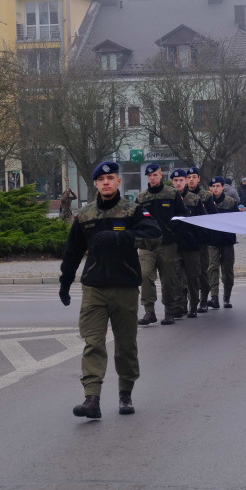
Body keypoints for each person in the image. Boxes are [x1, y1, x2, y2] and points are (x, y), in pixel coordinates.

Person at [59, 161, 161, 419]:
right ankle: (91, 398)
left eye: (111, 178)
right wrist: (65, 282)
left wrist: (121, 236)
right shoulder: (85, 215)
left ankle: (125, 393)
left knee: (126, 345)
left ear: (118, 182)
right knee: (93, 343)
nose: (106, 183)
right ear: (95, 184)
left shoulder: (133, 211)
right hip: (94, 288)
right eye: (101, 180)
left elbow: (153, 235)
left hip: (124, 286)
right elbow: (72, 252)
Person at [135, 164, 188, 326]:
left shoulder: (172, 194)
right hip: (147, 245)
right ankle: (149, 311)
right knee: (144, 275)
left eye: (155, 175)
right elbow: (135, 219)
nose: (152, 178)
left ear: (161, 176)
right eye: (149, 175)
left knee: (169, 278)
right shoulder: (141, 197)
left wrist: (173, 229)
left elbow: (184, 215)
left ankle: (170, 311)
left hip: (167, 244)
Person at [179, 166, 218, 314]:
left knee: (201, 271)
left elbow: (213, 217)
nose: (191, 180)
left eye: (194, 177)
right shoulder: (179, 195)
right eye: (188, 177)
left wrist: (209, 236)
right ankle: (185, 301)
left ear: (199, 179)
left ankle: (203, 299)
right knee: (183, 274)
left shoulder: (205, 196)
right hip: (184, 239)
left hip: (200, 240)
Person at [206, 177, 239, 308]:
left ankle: (227, 297)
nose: (215, 188)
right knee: (212, 268)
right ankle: (214, 297)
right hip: (212, 240)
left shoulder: (230, 202)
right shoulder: (207, 202)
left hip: (227, 241)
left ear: (223, 187)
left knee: (227, 271)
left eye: (218, 186)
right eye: (213, 186)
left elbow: (237, 220)